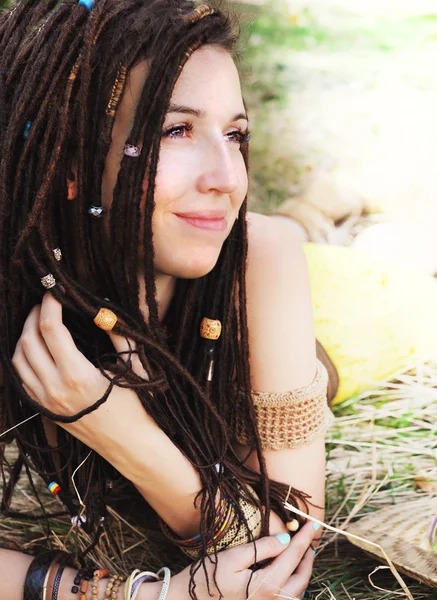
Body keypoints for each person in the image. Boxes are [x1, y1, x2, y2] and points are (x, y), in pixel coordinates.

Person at [0, 1, 332, 599]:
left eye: (235, 134)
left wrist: (123, 432)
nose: (227, 175)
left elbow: (286, 550)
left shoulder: (259, 260)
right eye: (175, 129)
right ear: (72, 155)